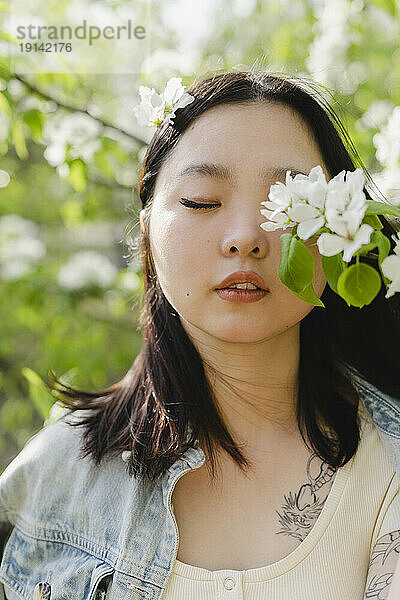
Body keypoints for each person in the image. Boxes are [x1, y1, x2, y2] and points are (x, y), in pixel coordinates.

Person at [1, 69, 400, 600]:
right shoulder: (54, 477)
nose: (245, 238)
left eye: (288, 205)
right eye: (201, 201)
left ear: (341, 231)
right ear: (147, 228)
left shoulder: (387, 468)